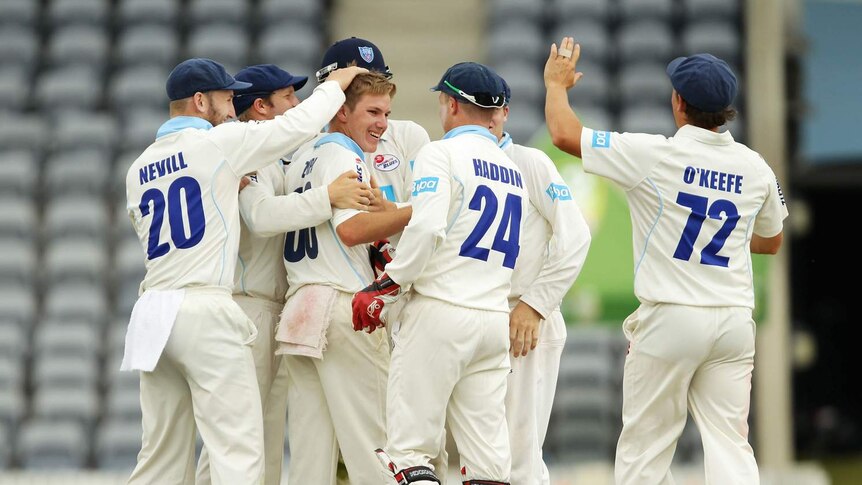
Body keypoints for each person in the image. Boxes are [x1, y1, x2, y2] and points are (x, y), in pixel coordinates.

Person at [544, 38, 788, 484]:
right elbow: (771, 241)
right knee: (730, 445)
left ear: (678, 103)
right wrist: (726, 238)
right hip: (733, 320)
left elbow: (563, 134)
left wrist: (556, 85)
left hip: (672, 316)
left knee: (646, 449)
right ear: (726, 110)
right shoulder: (756, 167)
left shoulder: (654, 155)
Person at [121, 57, 364, 485]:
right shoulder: (219, 143)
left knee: (159, 458)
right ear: (200, 101)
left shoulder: (138, 167)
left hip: (153, 311)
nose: (234, 109)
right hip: (206, 306)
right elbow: (295, 126)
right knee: (240, 453)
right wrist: (337, 86)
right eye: (227, 99)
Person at [193, 63, 374, 485]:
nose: (296, 105)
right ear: (260, 107)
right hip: (248, 308)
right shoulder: (244, 160)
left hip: (279, 310)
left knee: (266, 439)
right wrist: (327, 196)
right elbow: (259, 215)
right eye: (289, 98)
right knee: (238, 439)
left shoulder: (285, 159)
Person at [352, 62, 524, 485]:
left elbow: (427, 226)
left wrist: (388, 284)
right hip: (491, 318)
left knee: (411, 452)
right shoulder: (513, 170)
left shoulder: (440, 152)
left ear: (451, 104)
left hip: (440, 312)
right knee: (488, 464)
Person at [279, 71, 412, 484]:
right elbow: (350, 230)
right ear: (340, 112)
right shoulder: (345, 154)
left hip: (299, 307)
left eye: (387, 113)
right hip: (341, 305)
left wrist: (386, 209)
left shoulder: (301, 156)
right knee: (378, 448)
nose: (383, 123)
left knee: (309, 460)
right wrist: (421, 211)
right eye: (372, 111)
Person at [489, 80, 592, 485]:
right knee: (479, 453)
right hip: (472, 313)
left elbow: (576, 235)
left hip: (524, 318)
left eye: (495, 111)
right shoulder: (447, 158)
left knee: (519, 457)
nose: (490, 120)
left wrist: (535, 304)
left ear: (506, 115)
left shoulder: (530, 162)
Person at [316, 37, 431, 244]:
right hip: (346, 273)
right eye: (356, 85)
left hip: (399, 272)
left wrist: (390, 209)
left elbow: (429, 211)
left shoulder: (409, 136)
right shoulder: (309, 146)